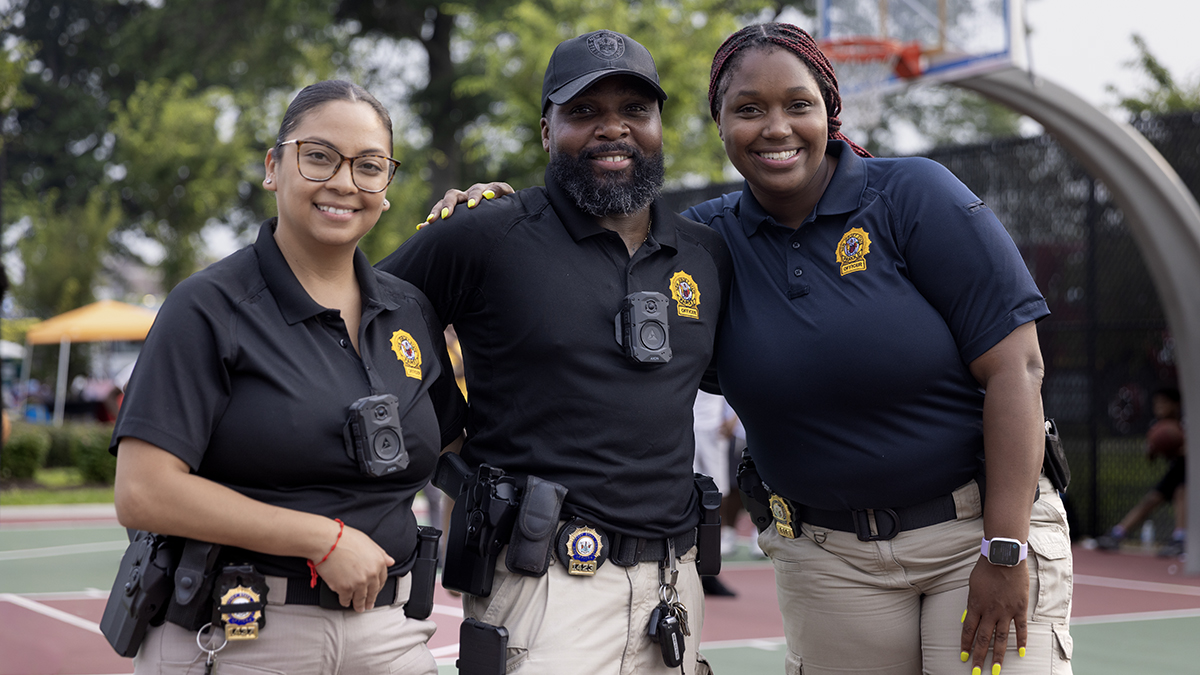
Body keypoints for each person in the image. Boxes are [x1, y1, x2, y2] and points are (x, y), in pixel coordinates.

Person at [430, 22, 1073, 675]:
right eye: (748, 109)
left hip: (974, 533)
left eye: (798, 104)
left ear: (830, 111)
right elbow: (578, 299)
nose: (776, 127)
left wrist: (1005, 549)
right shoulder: (705, 242)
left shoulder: (915, 197)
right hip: (827, 556)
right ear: (719, 123)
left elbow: (1018, 369)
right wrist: (493, 221)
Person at [377, 30, 730, 675]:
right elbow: (367, 316)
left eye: (634, 111)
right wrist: (449, 429)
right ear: (546, 131)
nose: (613, 129)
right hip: (541, 584)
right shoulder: (486, 233)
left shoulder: (706, 255)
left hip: (675, 588)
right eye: (584, 112)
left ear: (659, 125)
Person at [110, 80, 466, 674]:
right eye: (320, 156)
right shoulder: (209, 306)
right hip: (243, 633)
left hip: (391, 632)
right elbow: (143, 492)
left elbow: (460, 444)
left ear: (386, 185)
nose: (344, 182)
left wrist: (500, 228)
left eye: (369, 166)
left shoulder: (410, 310)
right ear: (274, 167)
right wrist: (320, 539)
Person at [1097, 386, 1186, 557]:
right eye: (1156, 403)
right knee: (1151, 499)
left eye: (1163, 403)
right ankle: (1118, 533)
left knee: (1181, 493)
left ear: (1176, 404)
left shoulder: (1188, 419)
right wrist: (1156, 448)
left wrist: (1179, 446)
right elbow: (1151, 457)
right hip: (1178, 468)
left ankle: (1180, 538)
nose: (1158, 407)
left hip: (1192, 469)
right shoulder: (1157, 426)